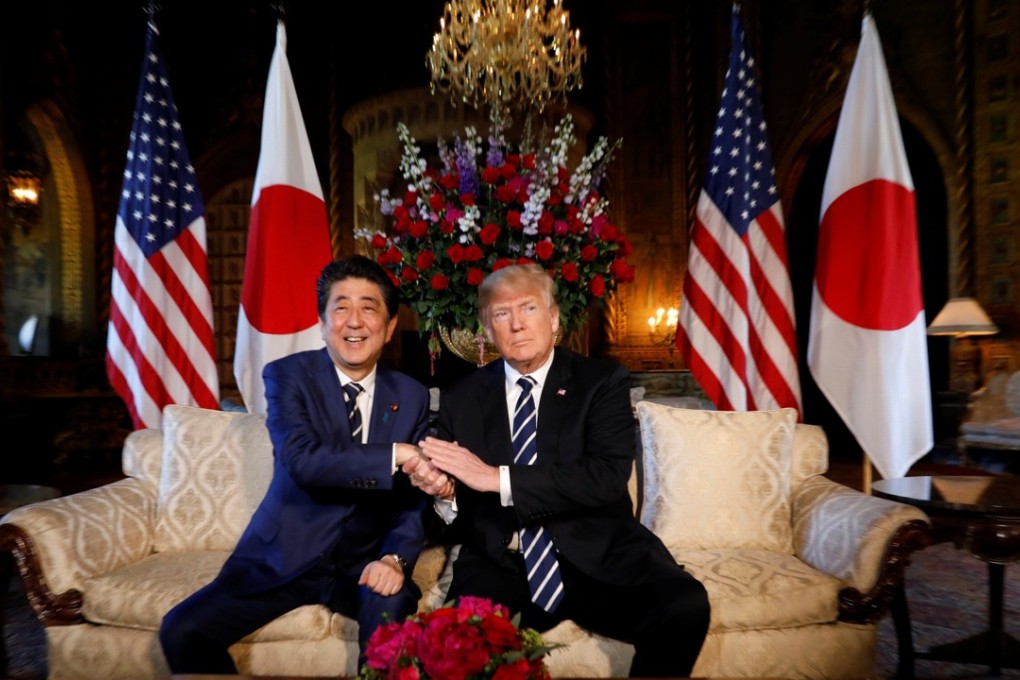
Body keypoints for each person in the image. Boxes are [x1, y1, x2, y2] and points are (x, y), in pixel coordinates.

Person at [404, 263, 710, 678]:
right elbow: (455, 497)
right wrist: (444, 492)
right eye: (501, 314)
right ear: (488, 332)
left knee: (684, 605)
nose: (515, 324)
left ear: (553, 319)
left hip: (596, 550)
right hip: (501, 559)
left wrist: (497, 478)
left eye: (528, 308)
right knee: (452, 646)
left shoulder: (601, 381)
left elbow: (604, 476)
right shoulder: (461, 398)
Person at [160, 256, 430, 674]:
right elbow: (302, 460)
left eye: (369, 307)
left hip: (365, 561)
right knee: (181, 631)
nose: (354, 321)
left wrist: (395, 558)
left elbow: (413, 498)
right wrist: (397, 454)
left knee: (390, 633)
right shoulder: (287, 376)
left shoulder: (410, 394)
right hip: (283, 558)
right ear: (322, 322)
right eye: (341, 307)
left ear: (390, 326)